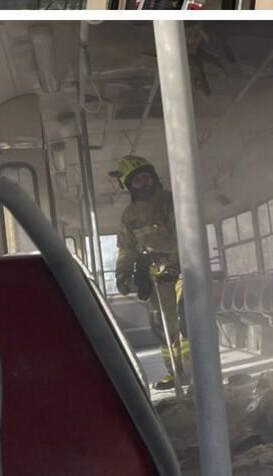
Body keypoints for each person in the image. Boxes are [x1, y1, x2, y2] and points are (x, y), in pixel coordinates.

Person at [113, 156, 188, 390]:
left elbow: (184, 238)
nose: (144, 183)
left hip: (184, 269)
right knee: (162, 324)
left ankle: (195, 371)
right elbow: (126, 248)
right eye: (137, 181)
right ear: (128, 186)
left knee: (186, 320)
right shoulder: (129, 216)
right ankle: (175, 372)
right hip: (158, 275)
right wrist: (122, 274)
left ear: (154, 177)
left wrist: (175, 266)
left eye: (146, 177)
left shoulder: (169, 202)